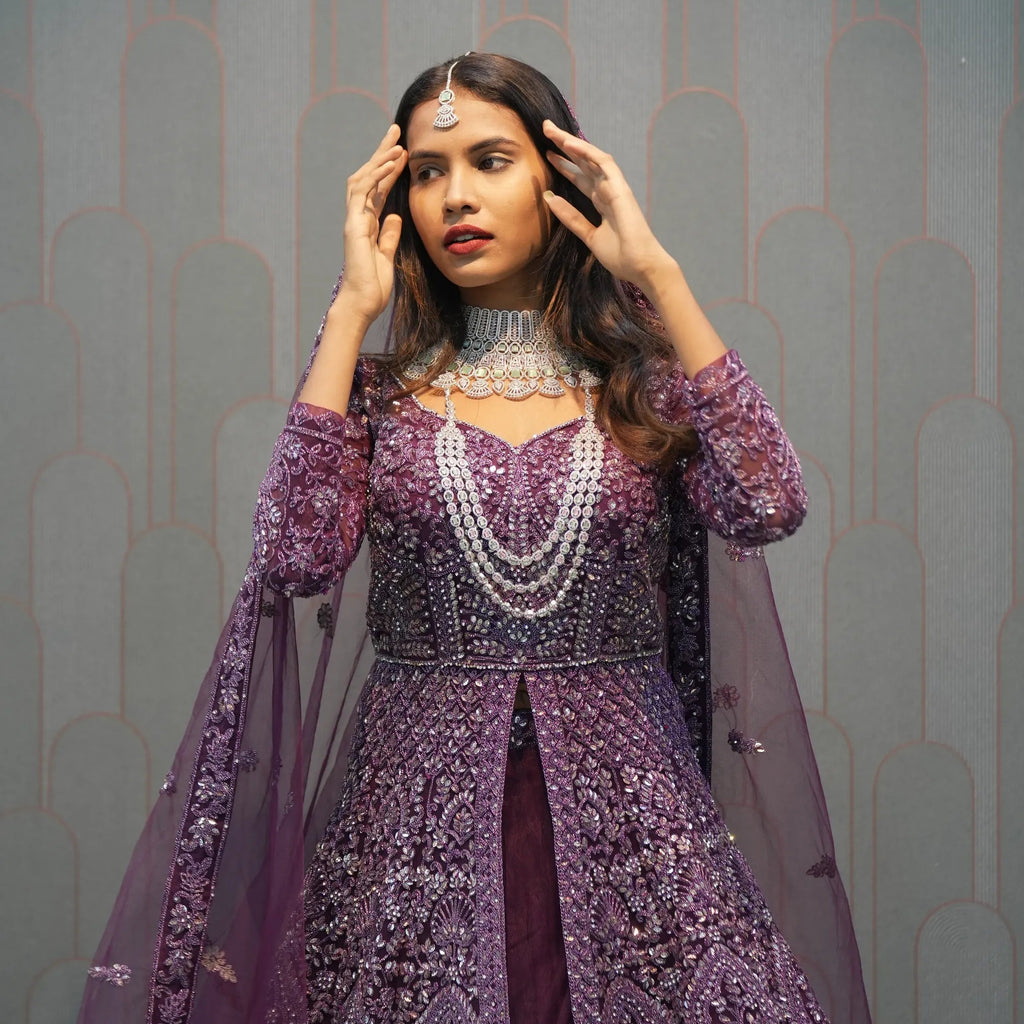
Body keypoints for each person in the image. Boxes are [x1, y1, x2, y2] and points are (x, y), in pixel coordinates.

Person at [79, 53, 870, 1024]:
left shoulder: (641, 388)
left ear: (560, 177)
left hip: (634, 820)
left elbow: (767, 500)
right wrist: (348, 314)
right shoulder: (379, 397)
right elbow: (292, 556)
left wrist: (655, 273)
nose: (455, 194)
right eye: (425, 171)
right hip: (414, 828)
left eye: (489, 159)